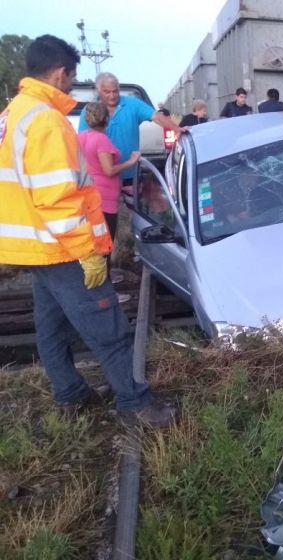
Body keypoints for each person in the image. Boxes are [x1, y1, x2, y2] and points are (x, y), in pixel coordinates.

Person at [0, 34, 175, 427]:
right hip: (63, 247)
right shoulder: (46, 120)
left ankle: (70, 393)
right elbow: (58, 198)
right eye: (71, 77)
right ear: (61, 73)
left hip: (36, 247)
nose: (69, 85)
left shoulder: (13, 114)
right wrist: (88, 252)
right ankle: (136, 404)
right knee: (108, 326)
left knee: (51, 325)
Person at [77, 101, 139, 302]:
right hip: (105, 199)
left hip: (88, 196)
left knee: (95, 243)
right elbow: (109, 170)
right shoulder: (101, 140)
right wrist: (130, 161)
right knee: (105, 244)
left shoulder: (80, 137)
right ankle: (107, 294)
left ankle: (99, 282)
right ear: (106, 119)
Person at [78, 72, 183, 185]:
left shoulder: (132, 104)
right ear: (99, 90)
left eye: (115, 91)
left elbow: (156, 116)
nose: (112, 96)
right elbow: (81, 145)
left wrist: (176, 129)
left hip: (129, 177)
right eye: (107, 92)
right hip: (100, 179)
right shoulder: (89, 111)